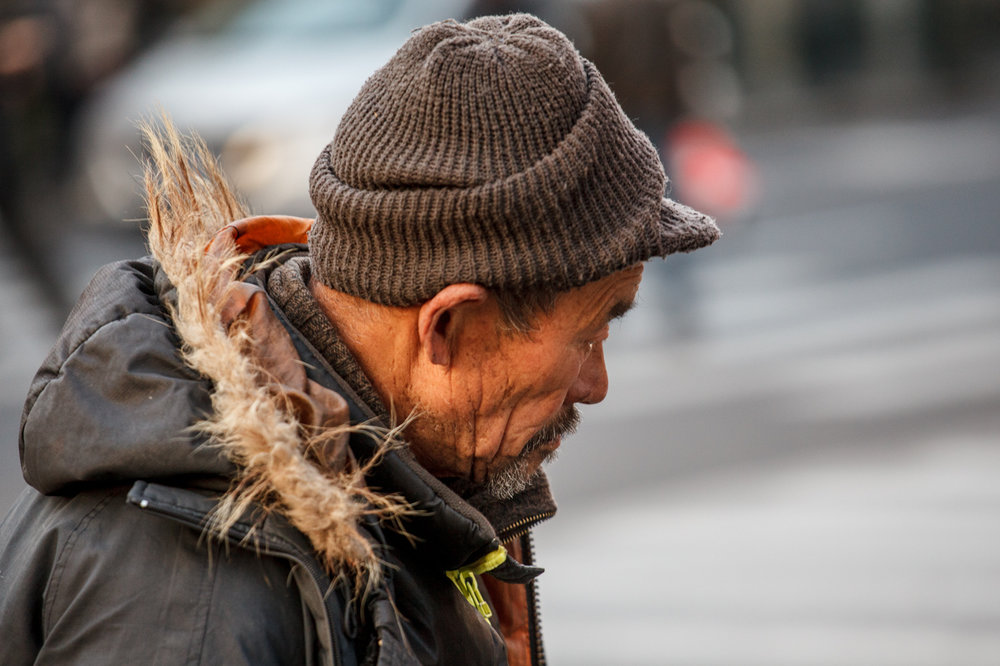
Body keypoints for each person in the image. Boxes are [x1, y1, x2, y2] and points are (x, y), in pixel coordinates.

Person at [0, 14, 718, 666]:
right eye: (592, 331)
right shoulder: (195, 599)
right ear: (448, 326)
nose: (596, 382)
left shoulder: (405, 465)